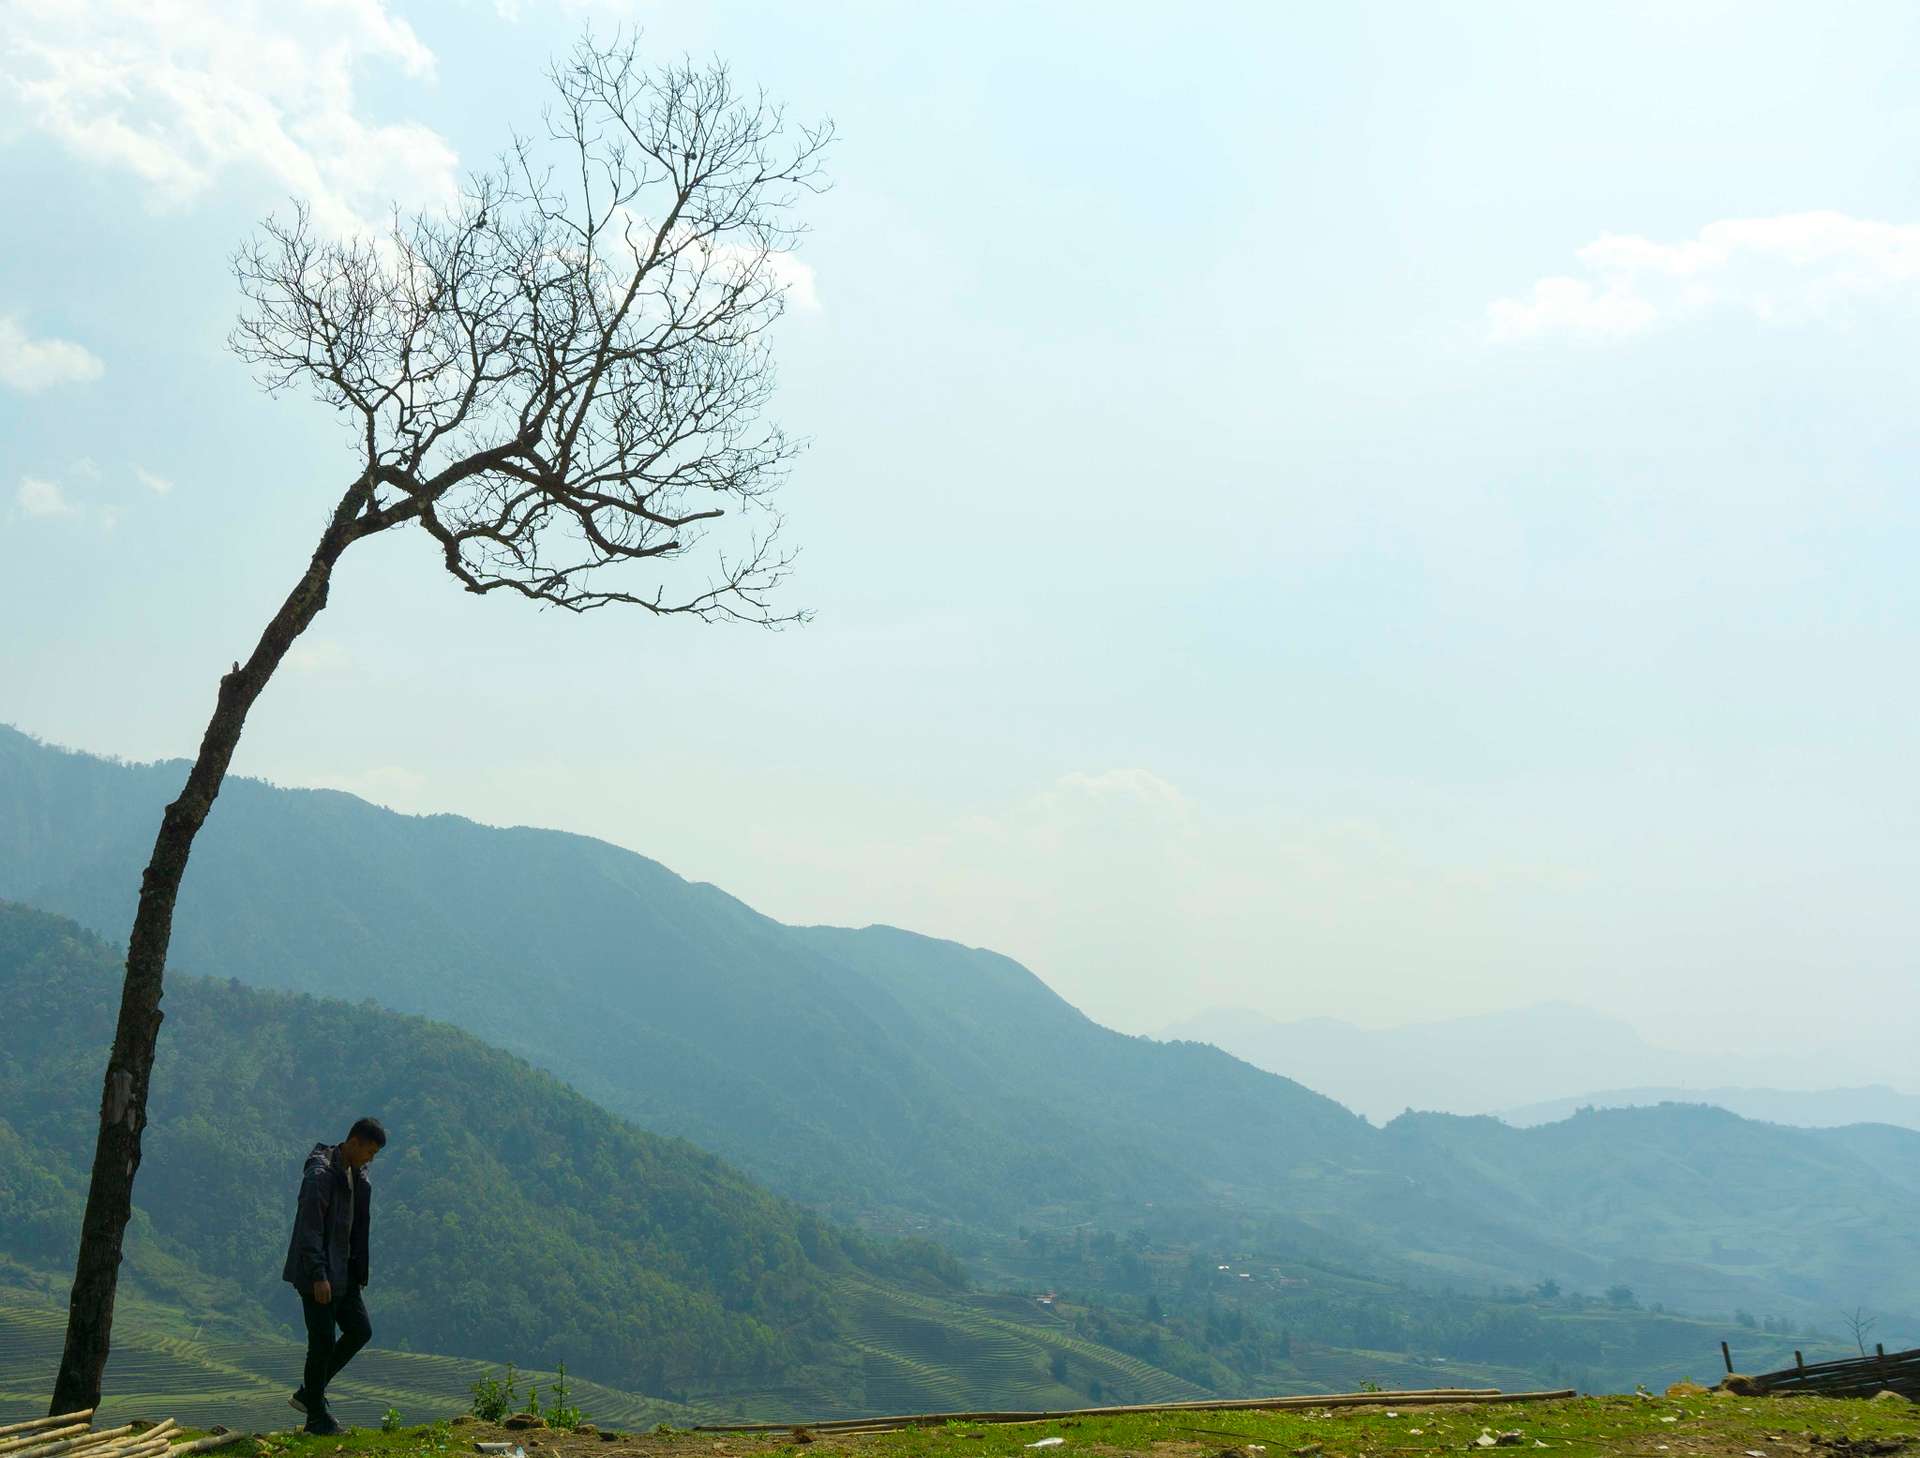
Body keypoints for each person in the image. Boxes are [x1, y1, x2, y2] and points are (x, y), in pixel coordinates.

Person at [281, 1117, 386, 1435]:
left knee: (360, 1330)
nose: (371, 1159)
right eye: (369, 1151)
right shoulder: (320, 1176)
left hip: (345, 1274)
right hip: (319, 1276)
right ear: (353, 1142)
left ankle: (309, 1394)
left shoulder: (356, 1174)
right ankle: (316, 1418)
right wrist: (318, 1275)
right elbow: (310, 1229)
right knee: (322, 1342)